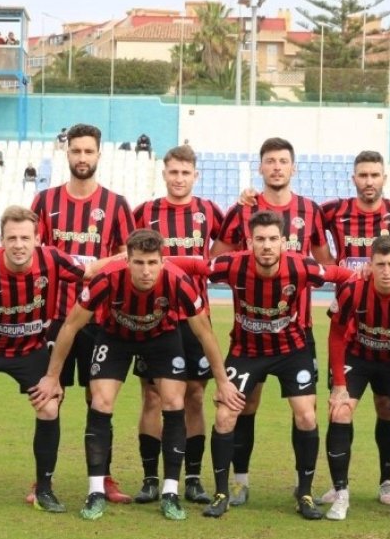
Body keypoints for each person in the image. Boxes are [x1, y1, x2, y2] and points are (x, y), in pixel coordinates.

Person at [37, 229, 231, 521]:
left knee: (174, 403)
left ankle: (169, 492)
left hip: (162, 339)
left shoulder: (179, 280)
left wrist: (223, 383)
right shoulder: (107, 278)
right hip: (115, 338)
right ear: (127, 261)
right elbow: (70, 326)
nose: (145, 270)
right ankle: (95, 492)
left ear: (163, 262)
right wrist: (52, 377)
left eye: (152, 263)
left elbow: (204, 333)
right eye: (139, 262)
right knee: (100, 403)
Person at [169, 211, 352, 519]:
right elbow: (195, 265)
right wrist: (157, 260)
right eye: (260, 240)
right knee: (226, 415)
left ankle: (304, 494)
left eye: (273, 239)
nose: (267, 246)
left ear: (284, 241)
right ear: (250, 241)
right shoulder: (232, 264)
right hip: (246, 350)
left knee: (306, 415)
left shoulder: (302, 266)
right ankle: (222, 493)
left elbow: (342, 274)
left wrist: (372, 276)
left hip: (292, 350)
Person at [0, 206, 106, 514]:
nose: (19, 244)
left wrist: (129, 255)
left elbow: (92, 270)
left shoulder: (52, 259)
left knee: (50, 405)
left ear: (38, 239)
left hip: (30, 348)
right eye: (12, 238)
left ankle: (44, 490)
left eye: (25, 238)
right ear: (1, 240)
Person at [214, 137, 334, 507]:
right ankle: (239, 482)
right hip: (249, 333)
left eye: (283, 161)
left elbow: (326, 264)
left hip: (298, 333)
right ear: (261, 167)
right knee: (244, 407)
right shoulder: (244, 209)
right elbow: (217, 256)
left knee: (305, 412)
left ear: (294, 167)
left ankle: (305, 489)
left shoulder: (310, 211)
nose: (277, 167)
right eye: (270, 161)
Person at [29, 122, 136, 506]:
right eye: (76, 151)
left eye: (88, 151)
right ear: (67, 153)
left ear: (99, 155)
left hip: (100, 319)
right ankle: (43, 481)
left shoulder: (116, 204)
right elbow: (32, 252)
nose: (82, 158)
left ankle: (103, 476)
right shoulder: (44, 202)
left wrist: (94, 266)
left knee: (100, 399)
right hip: (53, 316)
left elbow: (129, 255)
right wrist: (74, 264)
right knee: (48, 396)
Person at [316, 150, 390, 508]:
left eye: (375, 175)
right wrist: (340, 271)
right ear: (353, 178)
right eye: (362, 175)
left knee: (386, 409)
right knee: (342, 406)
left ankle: (386, 482)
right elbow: (298, 223)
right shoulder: (333, 211)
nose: (369, 181)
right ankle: (339, 486)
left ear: (384, 178)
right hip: (353, 329)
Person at [129, 145, 226, 504]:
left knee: (195, 396)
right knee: (152, 395)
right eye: (173, 172)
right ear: (165, 173)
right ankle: (151, 478)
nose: (179, 178)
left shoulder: (208, 211)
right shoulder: (146, 212)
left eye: (186, 173)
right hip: (152, 318)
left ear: (195, 176)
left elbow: (226, 247)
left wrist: (203, 266)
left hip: (194, 318)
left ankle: (194, 478)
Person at [323, 236, 390, 522]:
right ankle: (341, 493)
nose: (386, 271)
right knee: (340, 411)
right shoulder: (352, 289)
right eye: (380, 264)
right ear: (369, 265)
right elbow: (335, 335)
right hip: (357, 357)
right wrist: (339, 386)